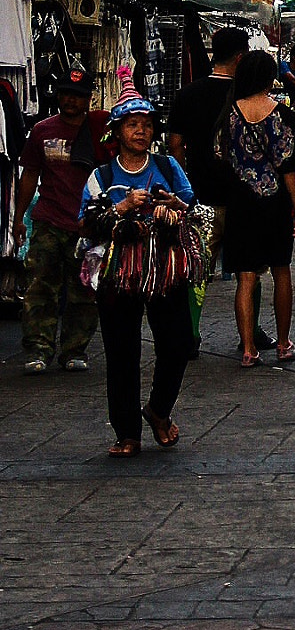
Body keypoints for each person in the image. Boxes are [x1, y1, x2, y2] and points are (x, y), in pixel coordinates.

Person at [79, 94, 195, 458]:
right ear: (116, 132)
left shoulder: (168, 166)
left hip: (164, 268)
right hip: (118, 271)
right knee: (121, 351)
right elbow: (84, 222)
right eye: (132, 124)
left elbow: (190, 205)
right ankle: (127, 432)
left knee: (177, 343)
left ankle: (158, 411)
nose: (141, 131)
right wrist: (123, 206)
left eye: (146, 124)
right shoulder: (102, 176)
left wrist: (171, 205)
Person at [14, 63, 109, 374]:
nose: (71, 101)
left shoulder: (100, 130)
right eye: (67, 94)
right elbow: (30, 174)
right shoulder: (42, 131)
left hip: (86, 225)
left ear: (88, 98)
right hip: (48, 221)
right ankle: (38, 348)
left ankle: (74, 349)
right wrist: (19, 219)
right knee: (40, 288)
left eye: (78, 96)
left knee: (84, 291)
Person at [220, 48, 295, 368]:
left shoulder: (229, 114)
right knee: (281, 272)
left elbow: (220, 156)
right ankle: (283, 344)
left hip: (241, 204)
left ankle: (247, 349)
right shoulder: (281, 114)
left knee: (246, 278)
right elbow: (290, 166)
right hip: (275, 204)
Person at [168, 24, 251, 352]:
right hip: (241, 199)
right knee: (248, 270)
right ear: (240, 57)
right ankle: (251, 332)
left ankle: (190, 333)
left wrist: (186, 184)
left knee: (196, 270)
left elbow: (175, 144)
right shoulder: (247, 98)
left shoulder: (187, 94)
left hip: (199, 198)